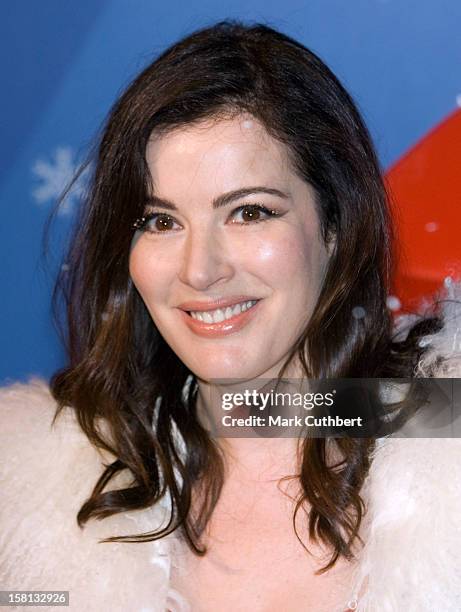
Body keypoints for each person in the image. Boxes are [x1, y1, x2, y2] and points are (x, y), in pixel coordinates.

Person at [1, 21, 460, 612]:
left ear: (335, 226)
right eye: (161, 221)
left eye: (248, 213)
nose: (200, 270)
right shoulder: (37, 495)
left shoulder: (445, 440)